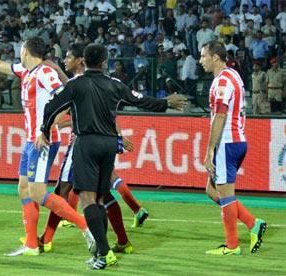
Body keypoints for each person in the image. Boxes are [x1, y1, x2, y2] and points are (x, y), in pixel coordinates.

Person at [37, 44, 187, 269]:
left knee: (87, 199)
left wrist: (45, 130)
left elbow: (51, 107)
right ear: (104, 62)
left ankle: (104, 253)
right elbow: (140, 100)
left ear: (83, 61)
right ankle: (102, 251)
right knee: (100, 198)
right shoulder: (115, 85)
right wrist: (166, 103)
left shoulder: (75, 84)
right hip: (109, 144)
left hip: (86, 142)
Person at [0, 26, 94, 257]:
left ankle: (85, 226)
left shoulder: (45, 73)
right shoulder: (25, 71)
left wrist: (46, 128)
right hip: (31, 141)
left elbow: (69, 100)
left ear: (27, 50)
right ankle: (30, 244)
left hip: (44, 141)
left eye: (21, 48)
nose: (19, 51)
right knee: (23, 189)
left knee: (37, 192)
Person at [198, 40, 266, 256]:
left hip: (227, 143)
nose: (201, 61)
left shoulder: (222, 82)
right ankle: (252, 223)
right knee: (211, 190)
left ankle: (232, 245)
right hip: (237, 140)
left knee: (226, 195)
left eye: (203, 56)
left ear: (215, 57)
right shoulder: (233, 75)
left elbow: (220, 115)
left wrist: (210, 150)